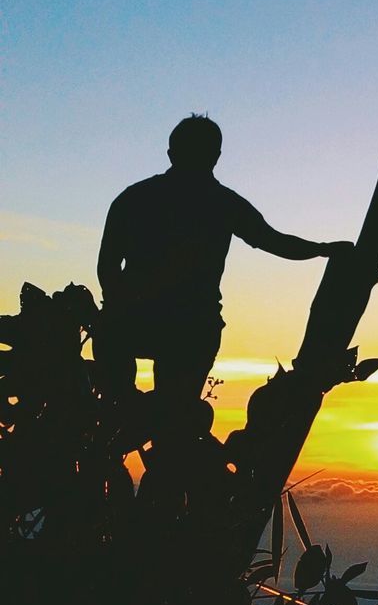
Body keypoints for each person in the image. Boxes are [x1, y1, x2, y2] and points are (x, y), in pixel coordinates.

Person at [96, 115, 350, 425]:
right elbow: (274, 241)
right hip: (185, 326)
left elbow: (107, 268)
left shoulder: (136, 198)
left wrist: (324, 249)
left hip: (163, 325)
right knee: (168, 422)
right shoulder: (221, 203)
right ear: (216, 157)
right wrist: (323, 249)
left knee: (132, 415)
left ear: (171, 152)